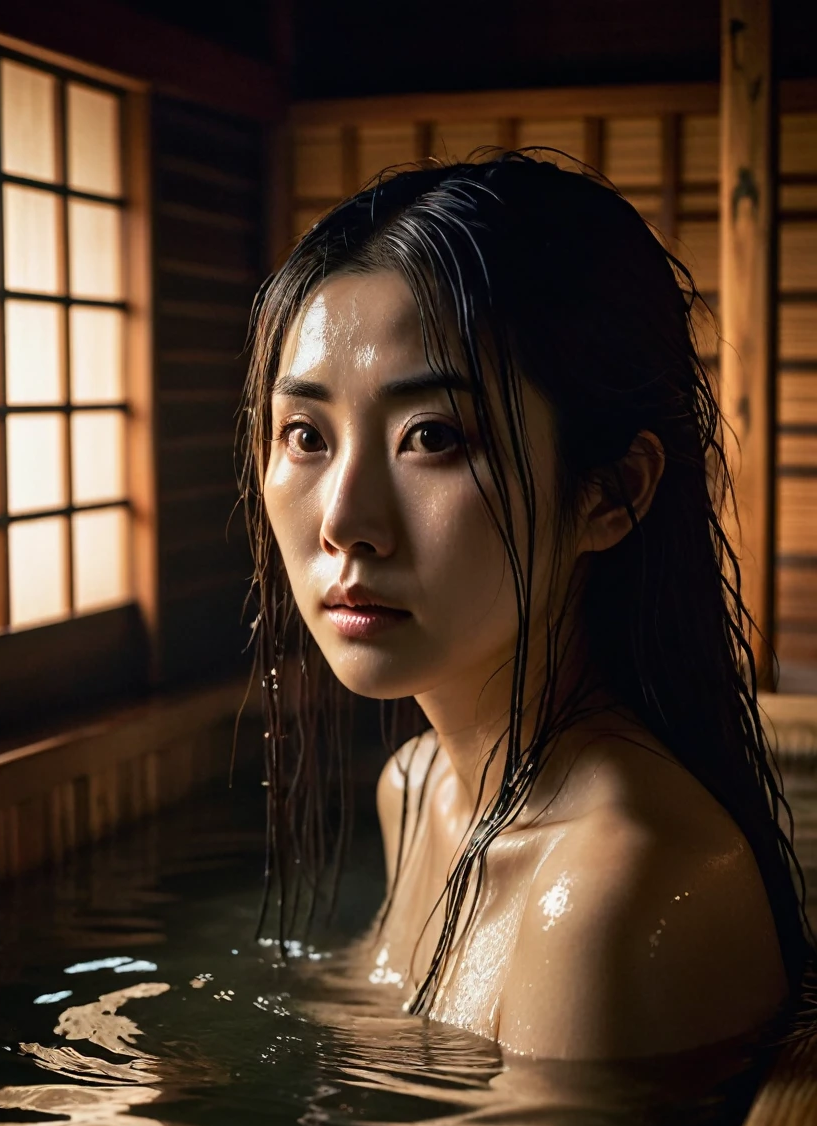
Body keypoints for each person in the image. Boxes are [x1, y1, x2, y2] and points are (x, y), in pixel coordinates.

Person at [239, 151, 814, 1059]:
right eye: (306, 434)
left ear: (611, 494)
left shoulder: (614, 886)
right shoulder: (417, 787)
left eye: (431, 437)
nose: (345, 522)